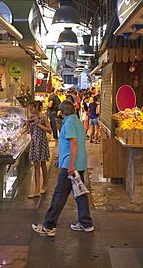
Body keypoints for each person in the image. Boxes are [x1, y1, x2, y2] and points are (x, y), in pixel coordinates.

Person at [32, 100, 94, 237]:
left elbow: (73, 143)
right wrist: (60, 159)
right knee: (80, 194)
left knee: (59, 195)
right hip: (78, 163)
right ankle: (86, 222)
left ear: (63, 112)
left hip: (71, 165)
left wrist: (70, 164)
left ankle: (49, 225)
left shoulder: (70, 123)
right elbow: (70, 143)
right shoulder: (77, 121)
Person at [28, 100, 52, 198]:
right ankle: (36, 190)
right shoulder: (31, 118)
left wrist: (39, 125)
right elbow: (31, 132)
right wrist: (29, 125)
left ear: (37, 108)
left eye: (32, 108)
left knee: (43, 164)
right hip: (35, 142)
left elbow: (50, 130)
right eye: (29, 109)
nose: (30, 110)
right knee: (36, 165)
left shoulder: (43, 117)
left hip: (42, 142)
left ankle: (44, 185)